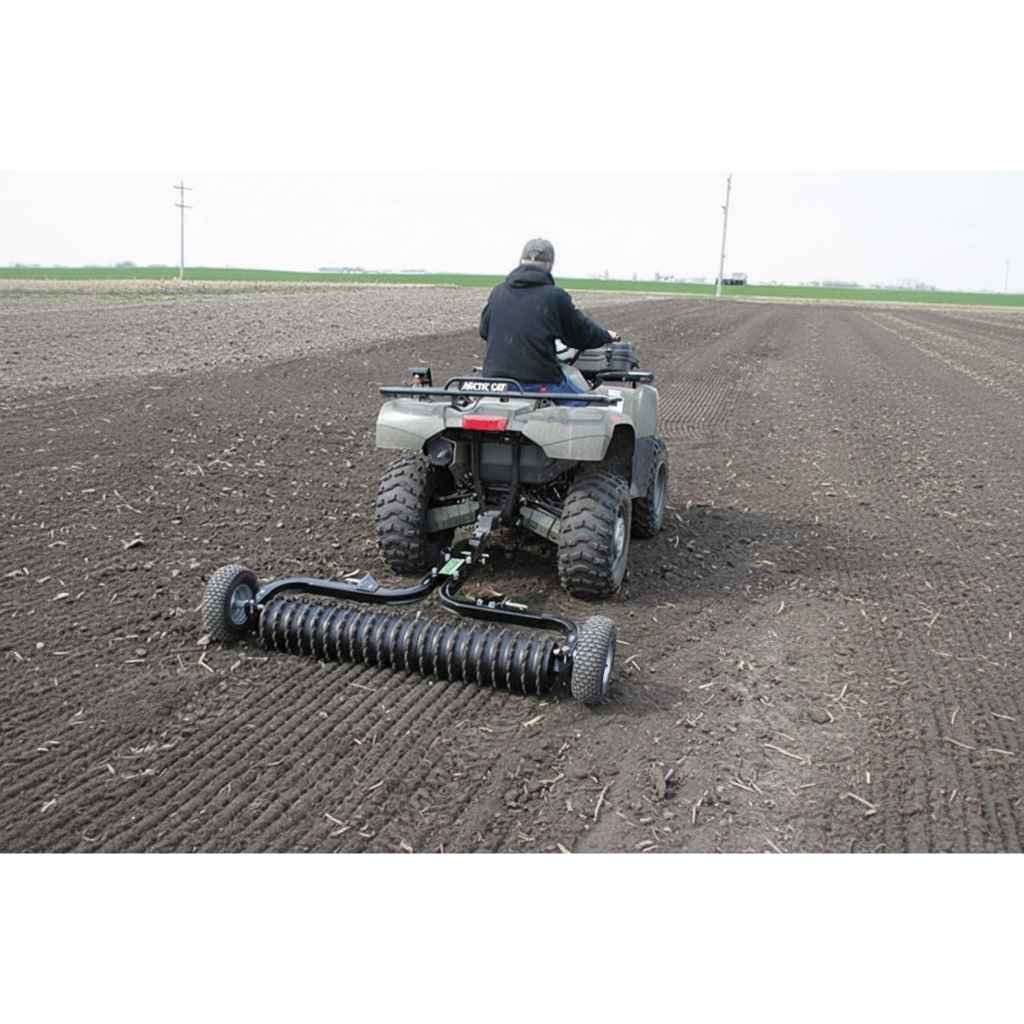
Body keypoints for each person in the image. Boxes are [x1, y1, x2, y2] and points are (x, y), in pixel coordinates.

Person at [479, 238, 618, 398]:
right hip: (538, 383)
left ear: (520, 261)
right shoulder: (555, 297)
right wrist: (606, 335)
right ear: (550, 265)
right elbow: (580, 334)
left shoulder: (498, 292)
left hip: (494, 382)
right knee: (587, 404)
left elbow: (484, 331)